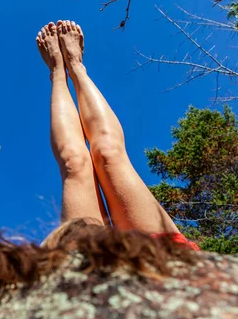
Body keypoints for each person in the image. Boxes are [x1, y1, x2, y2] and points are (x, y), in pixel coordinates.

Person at [36, 21, 199, 251]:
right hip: (167, 259)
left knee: (103, 154)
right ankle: (59, 71)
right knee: (82, 159)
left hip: (87, 269)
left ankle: (73, 66)